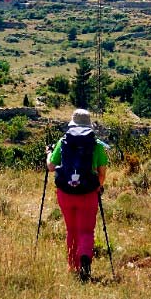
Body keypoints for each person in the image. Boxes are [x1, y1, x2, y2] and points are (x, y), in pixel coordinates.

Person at [46, 108, 109, 282]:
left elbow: (51, 166)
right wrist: (98, 186)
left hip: (65, 193)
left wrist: (48, 153)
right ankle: (85, 258)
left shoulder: (63, 141)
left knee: (71, 229)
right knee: (86, 230)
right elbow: (102, 172)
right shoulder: (97, 145)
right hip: (88, 193)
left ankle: (72, 266)